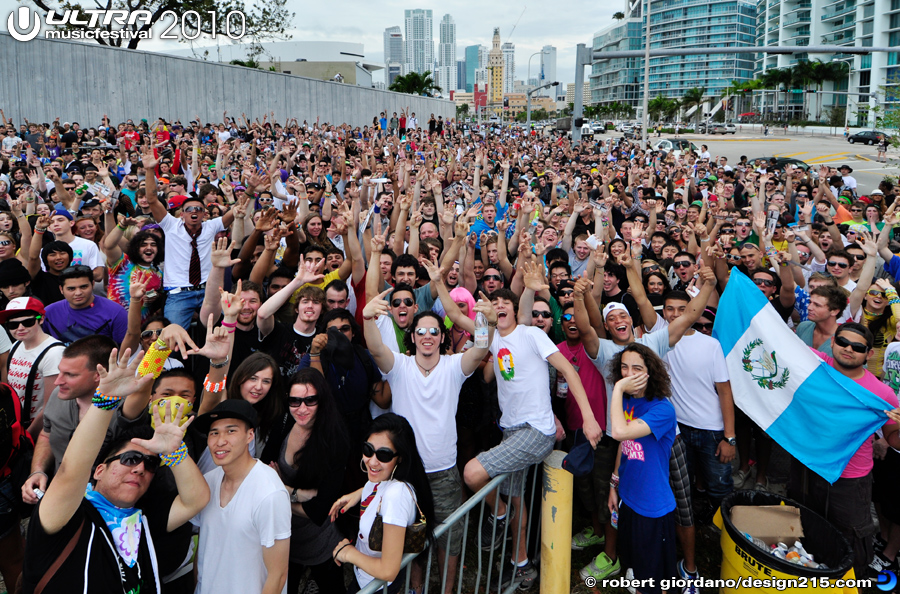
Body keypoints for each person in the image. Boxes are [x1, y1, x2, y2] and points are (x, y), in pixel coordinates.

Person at [19, 348, 210, 594]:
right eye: (130, 459)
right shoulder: (67, 514)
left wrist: (174, 451)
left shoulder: (143, 519)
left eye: (150, 464)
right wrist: (105, 401)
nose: (141, 468)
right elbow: (69, 472)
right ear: (98, 470)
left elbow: (196, 500)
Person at [362, 279, 497, 594]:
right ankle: (415, 589)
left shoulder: (453, 367)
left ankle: (447, 590)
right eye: (420, 331)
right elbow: (375, 348)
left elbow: (480, 349)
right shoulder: (400, 367)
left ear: (442, 337)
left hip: (444, 472)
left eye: (434, 331)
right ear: (412, 337)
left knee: (450, 539)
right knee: (412, 538)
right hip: (406, 475)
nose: (426, 336)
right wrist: (368, 319)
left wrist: (488, 322)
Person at [789, 323, 900, 579]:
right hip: (807, 465)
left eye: (858, 347)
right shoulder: (813, 363)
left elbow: (894, 440)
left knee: (850, 539)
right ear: (833, 342)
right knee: (804, 526)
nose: (848, 349)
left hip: (849, 478)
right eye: (842, 342)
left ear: (869, 354)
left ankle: (851, 583)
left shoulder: (882, 394)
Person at [261, 369, 349, 594]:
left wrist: (282, 489)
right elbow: (263, 468)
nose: (301, 408)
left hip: (319, 541)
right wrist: (299, 494)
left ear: (322, 400)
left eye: (310, 400)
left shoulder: (335, 440)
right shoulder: (284, 422)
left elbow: (318, 511)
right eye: (295, 401)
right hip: (283, 537)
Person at [192, 399, 291, 594]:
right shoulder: (208, 482)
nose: (220, 441)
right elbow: (206, 546)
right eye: (214, 433)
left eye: (231, 431)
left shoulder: (269, 493)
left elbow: (278, 575)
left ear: (250, 436)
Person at [330, 413, 437, 594]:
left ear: (400, 457)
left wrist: (348, 553)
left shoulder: (396, 496)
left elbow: (388, 570)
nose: (372, 461)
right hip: (366, 578)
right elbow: (377, 486)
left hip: (376, 586)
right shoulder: (383, 477)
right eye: (368, 449)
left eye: (384, 455)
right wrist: (358, 494)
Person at [607, 343, 678, 594]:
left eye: (637, 368)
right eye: (624, 368)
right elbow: (624, 444)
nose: (628, 374)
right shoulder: (628, 402)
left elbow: (618, 432)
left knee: (653, 582)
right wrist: (614, 484)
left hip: (652, 508)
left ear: (651, 373)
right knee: (636, 567)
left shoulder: (662, 410)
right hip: (628, 498)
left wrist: (616, 388)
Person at [1, 297, 64, 439]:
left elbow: (51, 406)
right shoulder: (16, 345)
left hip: (39, 432)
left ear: (40, 319)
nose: (20, 328)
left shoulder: (54, 353)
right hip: (17, 426)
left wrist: (26, 437)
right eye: (13, 325)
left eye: (27, 322)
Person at [42, 265, 128, 344]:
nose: (78, 293)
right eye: (71, 289)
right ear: (61, 289)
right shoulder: (48, 312)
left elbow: (125, 348)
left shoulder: (115, 312)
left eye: (83, 287)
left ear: (93, 284)